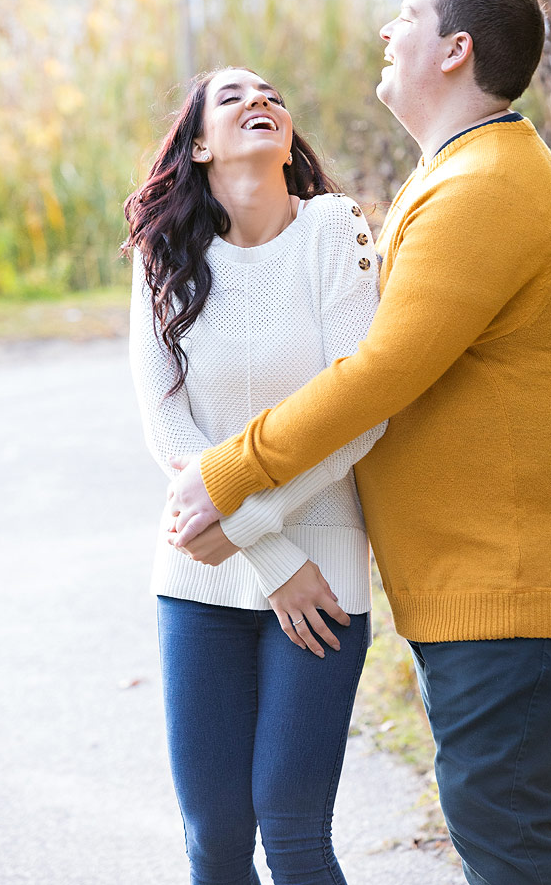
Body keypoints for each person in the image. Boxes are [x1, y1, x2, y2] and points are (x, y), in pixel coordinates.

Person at [168, 0, 551, 885]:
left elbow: (380, 372)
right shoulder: (470, 170)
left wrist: (228, 474)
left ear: (454, 50)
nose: (386, 34)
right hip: (496, 573)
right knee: (532, 832)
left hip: (517, 578)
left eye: (405, 18)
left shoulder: (482, 189)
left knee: (503, 836)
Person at [123, 65, 386, 885]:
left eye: (273, 92)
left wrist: (257, 529)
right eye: (233, 98)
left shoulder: (334, 230)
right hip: (200, 573)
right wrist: (265, 548)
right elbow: (169, 429)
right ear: (199, 145)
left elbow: (360, 410)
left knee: (295, 831)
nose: (260, 102)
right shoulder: (163, 253)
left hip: (323, 576)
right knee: (215, 839)